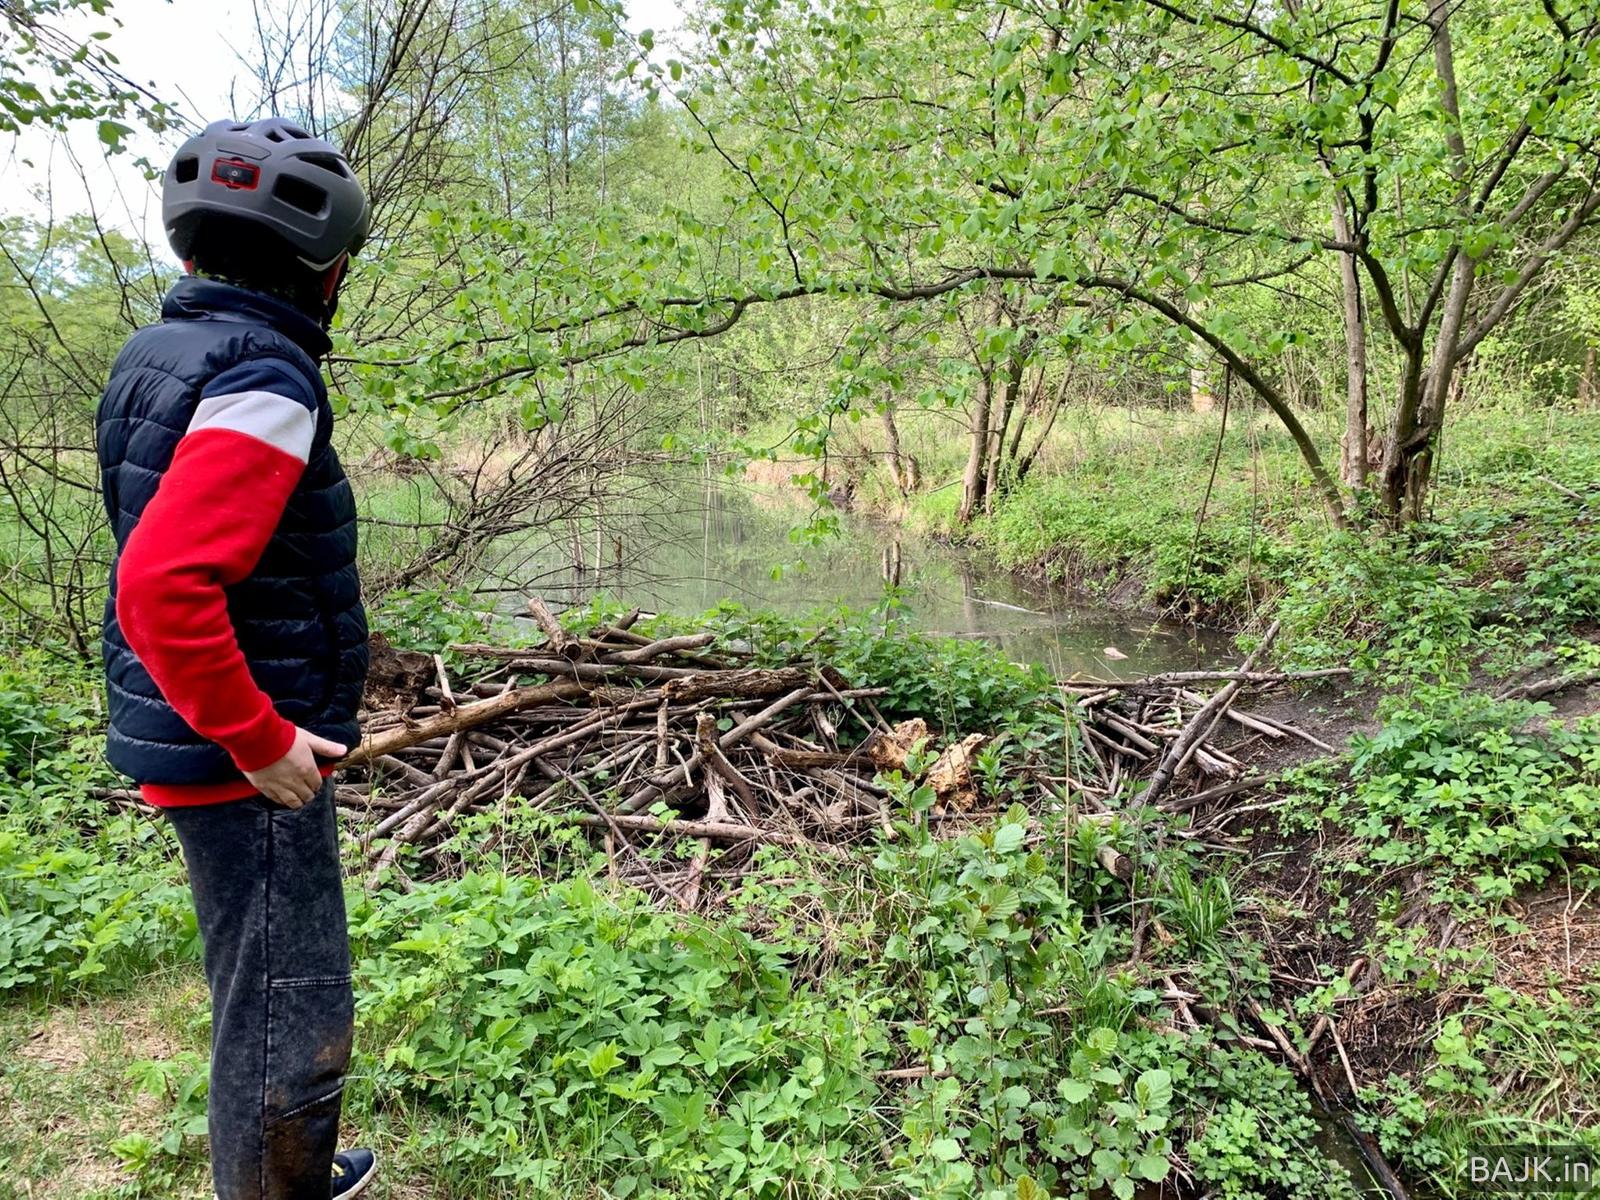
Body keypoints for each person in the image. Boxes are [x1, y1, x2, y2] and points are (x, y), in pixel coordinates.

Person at [96, 117, 376, 1199]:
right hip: (243, 749)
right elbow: (164, 583)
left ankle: (286, 1173)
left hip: (203, 729)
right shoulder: (265, 375)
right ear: (330, 270)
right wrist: (257, 739)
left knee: (254, 987)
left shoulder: (161, 351)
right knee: (291, 1009)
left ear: (186, 255)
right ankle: (274, 1184)